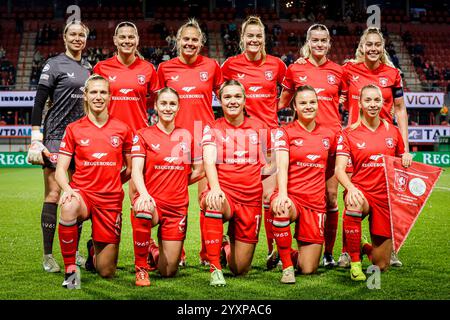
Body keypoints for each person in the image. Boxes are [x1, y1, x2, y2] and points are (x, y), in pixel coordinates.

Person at [341, 27, 413, 267]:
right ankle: (346, 251)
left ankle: (384, 249)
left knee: (388, 198)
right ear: (362, 46)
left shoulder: (393, 73)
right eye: (368, 44)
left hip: (385, 141)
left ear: (382, 47)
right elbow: (330, 89)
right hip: (355, 143)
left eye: (377, 44)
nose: (372, 48)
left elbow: (401, 109)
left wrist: (404, 146)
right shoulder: (348, 69)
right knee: (351, 196)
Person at [92, 21, 160, 272]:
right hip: (109, 141)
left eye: (131, 37)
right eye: (123, 37)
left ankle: (146, 247)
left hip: (138, 141)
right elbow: (93, 99)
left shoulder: (148, 69)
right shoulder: (101, 67)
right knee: (106, 195)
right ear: (115, 40)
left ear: (138, 40)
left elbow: (158, 102)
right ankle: (98, 242)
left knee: (138, 195)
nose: (127, 40)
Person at [221, 16, 286, 270]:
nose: (254, 40)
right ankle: (222, 246)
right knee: (236, 195)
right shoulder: (230, 65)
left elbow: (289, 89)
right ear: (242, 39)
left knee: (270, 198)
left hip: (268, 138)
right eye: (250, 35)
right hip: (240, 142)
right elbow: (225, 95)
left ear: (264, 38)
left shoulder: (277, 65)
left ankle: (274, 251)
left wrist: (274, 109)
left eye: (259, 35)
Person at [55, 74, 132, 288]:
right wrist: (67, 189)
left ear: (110, 97)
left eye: (103, 92)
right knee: (69, 205)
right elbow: (60, 169)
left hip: (110, 199)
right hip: (83, 195)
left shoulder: (123, 129)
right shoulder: (74, 129)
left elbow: (131, 167)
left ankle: (92, 250)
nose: (99, 96)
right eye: (94, 92)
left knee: (106, 271)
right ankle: (71, 271)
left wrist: (114, 182)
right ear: (86, 96)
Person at [157, 18, 223, 266]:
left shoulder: (212, 66)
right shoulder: (165, 69)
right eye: (186, 39)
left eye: (195, 39)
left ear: (201, 43)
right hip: (175, 142)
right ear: (177, 41)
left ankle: (208, 254)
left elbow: (227, 98)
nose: (190, 43)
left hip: (205, 141)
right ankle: (178, 254)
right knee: (174, 201)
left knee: (207, 200)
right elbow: (159, 103)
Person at [27, 20, 91, 273]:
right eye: (73, 34)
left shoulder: (89, 68)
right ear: (65, 38)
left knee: (76, 196)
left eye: (81, 35)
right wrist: (35, 137)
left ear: (86, 40)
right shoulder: (53, 64)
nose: (77, 39)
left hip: (82, 140)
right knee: (54, 194)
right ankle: (48, 255)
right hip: (55, 137)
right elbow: (39, 102)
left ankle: (73, 252)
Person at [279, 24, 344, 268]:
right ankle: (282, 251)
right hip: (302, 143)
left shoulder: (339, 71)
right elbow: (282, 102)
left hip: (332, 141)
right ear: (308, 41)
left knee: (330, 198)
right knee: (287, 196)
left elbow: (349, 102)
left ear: (329, 43)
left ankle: (327, 252)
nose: (319, 44)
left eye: (323, 40)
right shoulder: (295, 69)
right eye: (315, 40)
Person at [335, 84, 412, 281]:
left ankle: (361, 245)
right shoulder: (349, 133)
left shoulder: (393, 132)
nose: (372, 104)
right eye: (367, 100)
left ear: (383, 103)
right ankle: (355, 263)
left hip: (384, 198)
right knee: (353, 203)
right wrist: (350, 188)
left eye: (377, 100)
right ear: (360, 103)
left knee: (382, 265)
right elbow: (339, 170)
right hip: (361, 192)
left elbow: (401, 164)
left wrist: (406, 158)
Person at [201, 80, 273, 286]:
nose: (232, 101)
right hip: (225, 195)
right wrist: (214, 188)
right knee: (213, 202)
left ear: (244, 100)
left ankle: (225, 247)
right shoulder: (212, 128)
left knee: (240, 269)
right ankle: (215, 268)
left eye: (237, 97)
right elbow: (208, 159)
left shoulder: (259, 127)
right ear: (220, 102)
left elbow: (272, 159)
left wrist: (260, 179)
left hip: (250, 200)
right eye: (227, 97)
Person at [131, 87, 204, 286]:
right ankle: (141, 269)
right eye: (163, 103)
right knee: (143, 210)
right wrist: (144, 194)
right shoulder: (143, 134)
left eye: (172, 104)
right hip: (152, 201)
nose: (168, 108)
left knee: (169, 270)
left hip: (177, 207)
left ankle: (152, 250)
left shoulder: (187, 136)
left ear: (178, 107)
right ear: (155, 106)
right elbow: (136, 170)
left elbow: (200, 169)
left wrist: (178, 181)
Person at [271, 85, 337, 284]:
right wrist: (282, 194)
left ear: (318, 105)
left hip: (315, 203)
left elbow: (332, 168)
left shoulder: (329, 135)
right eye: (303, 103)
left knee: (308, 269)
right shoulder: (285, 132)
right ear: (295, 107)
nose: (308, 106)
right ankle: (287, 267)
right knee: (282, 209)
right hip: (291, 196)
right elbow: (281, 166)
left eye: (312, 102)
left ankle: (286, 253)